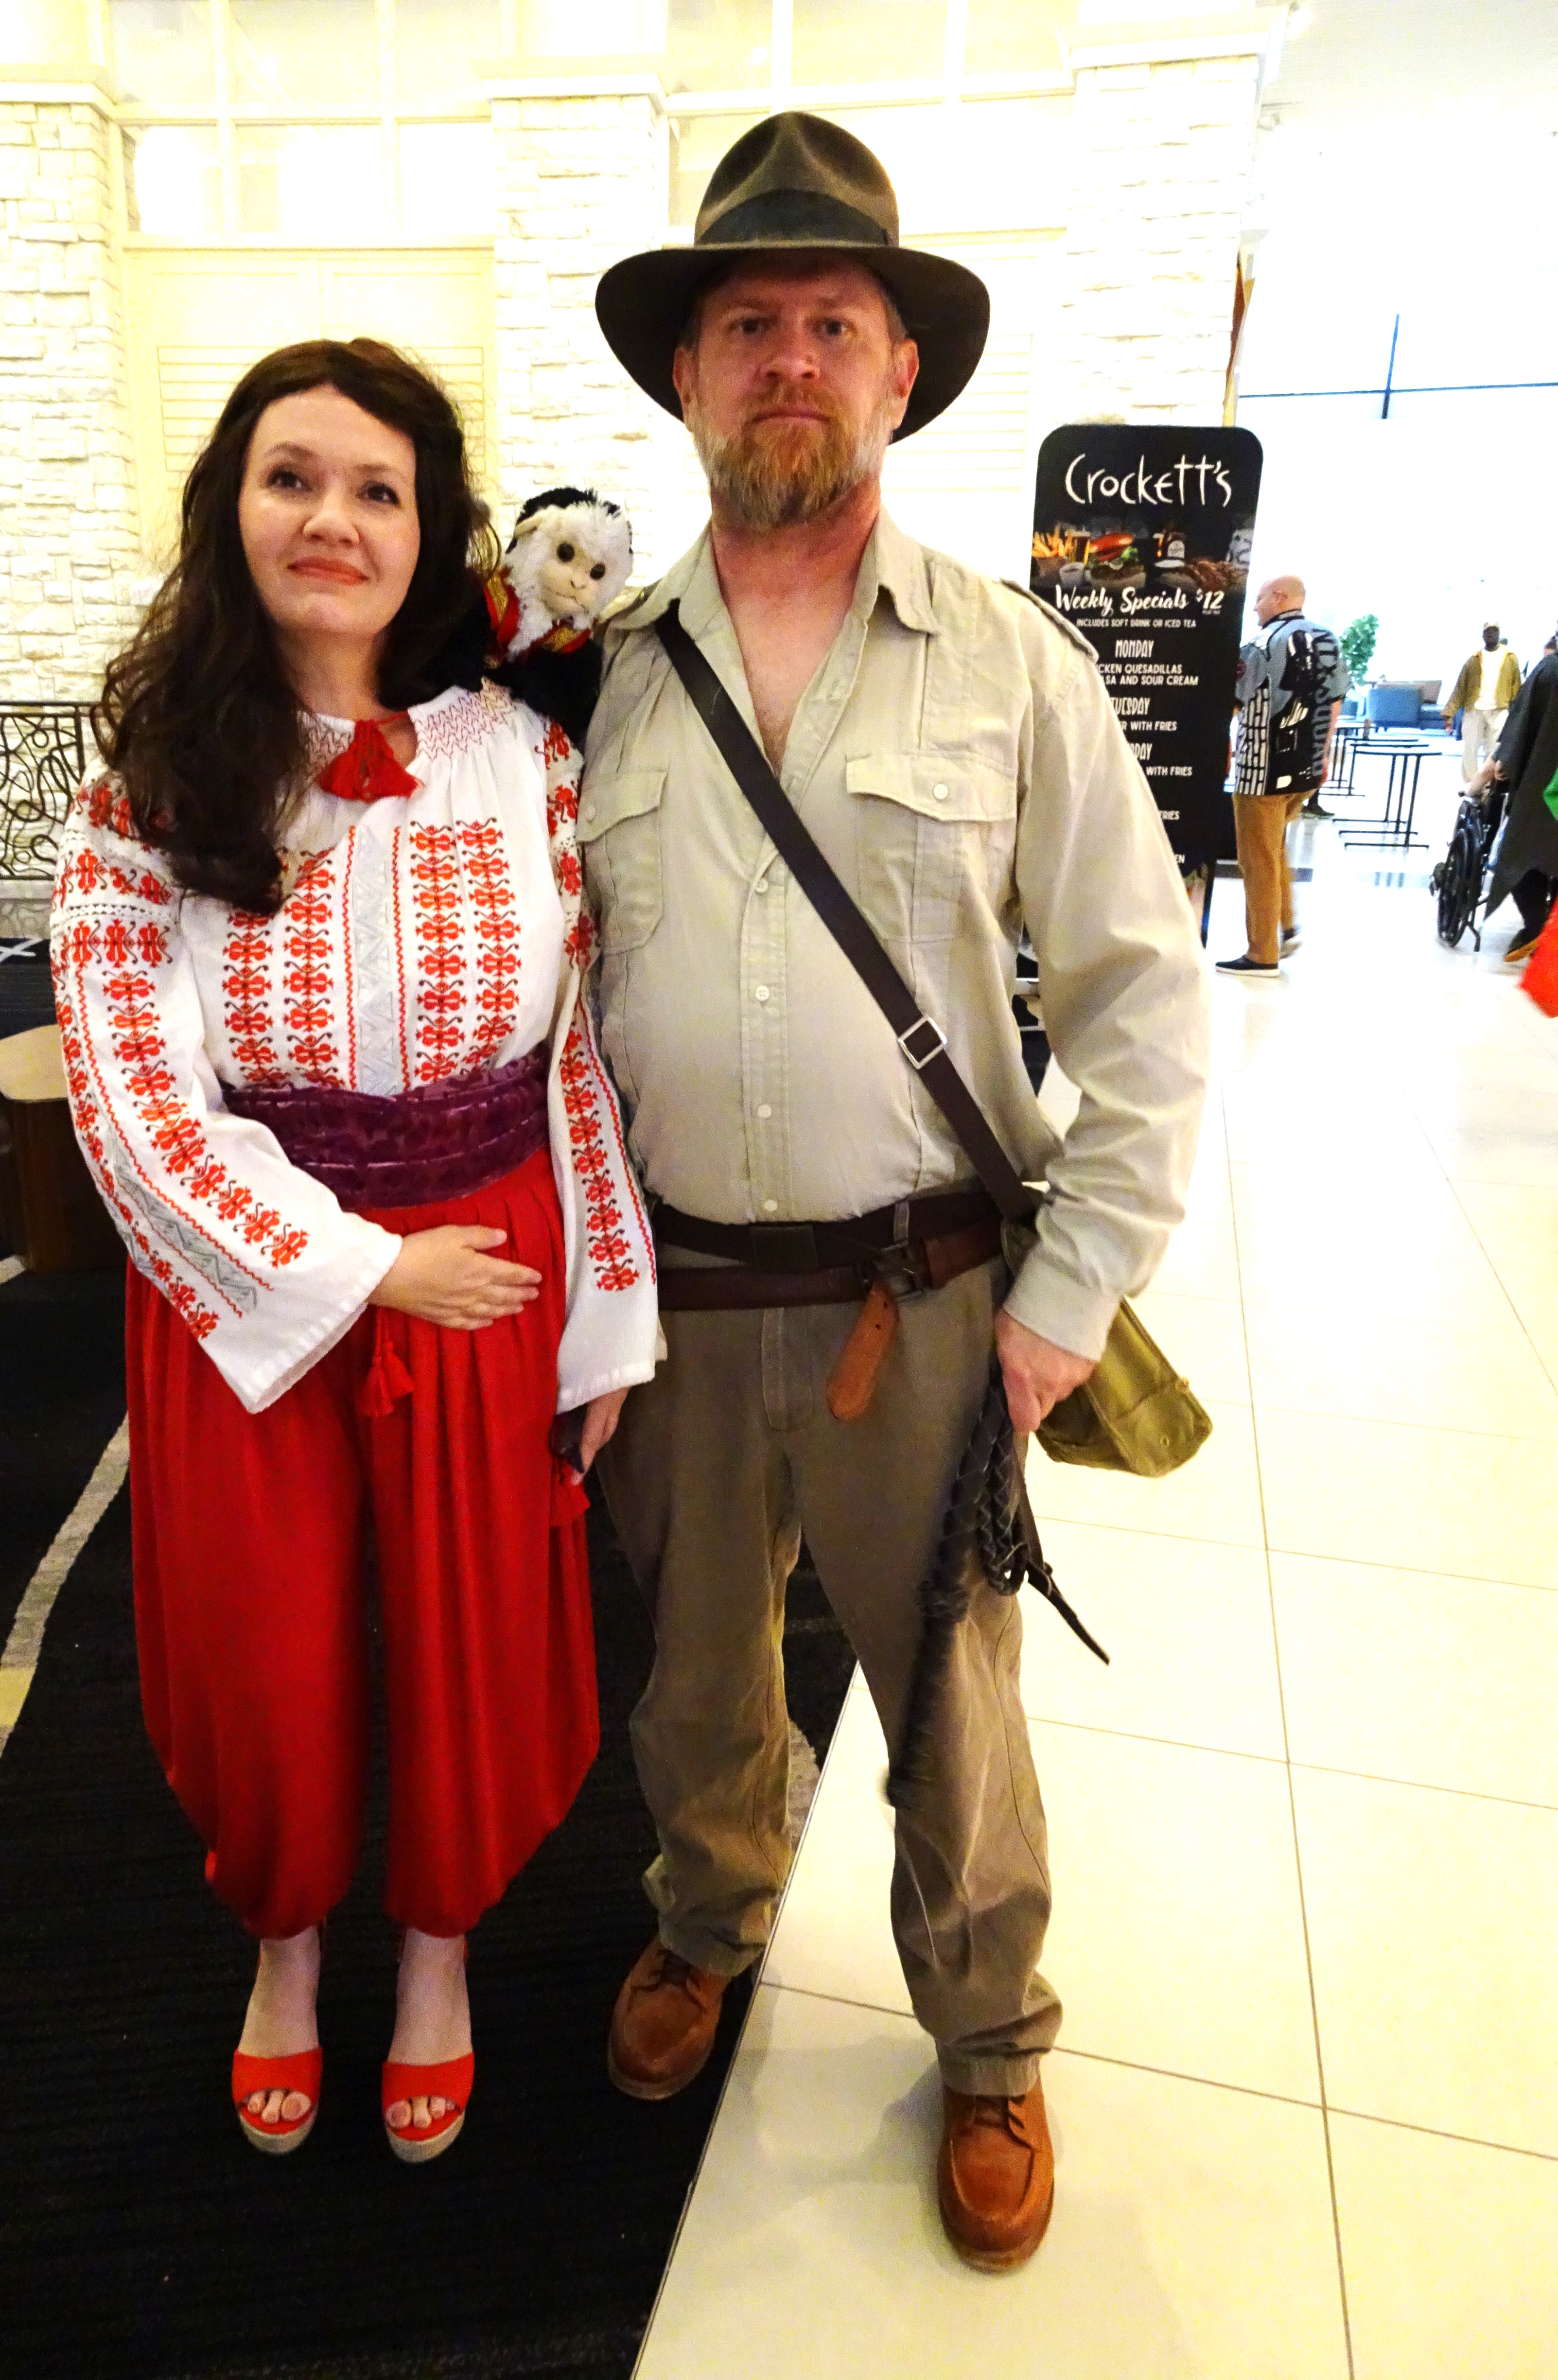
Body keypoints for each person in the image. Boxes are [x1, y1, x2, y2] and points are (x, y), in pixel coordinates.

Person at [581, 113, 1212, 2272]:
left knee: (947, 1700)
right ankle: (706, 1917)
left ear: (898, 375)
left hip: (924, 1293)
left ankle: (985, 2031)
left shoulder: (1011, 659)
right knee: (690, 1675)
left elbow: (1144, 1003)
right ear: (685, 376)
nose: (787, 359)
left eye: (829, 325)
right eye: (745, 324)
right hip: (671, 1299)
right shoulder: (594, 674)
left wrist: (1065, 1296)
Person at [49, 339, 657, 2165]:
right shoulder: (151, 786)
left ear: (431, 532)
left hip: (497, 1254)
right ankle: (288, 1947)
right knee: (269, 1644)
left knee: (469, 1632)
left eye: (378, 489)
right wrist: (356, 1269)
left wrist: (602, 1320)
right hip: (254, 1278)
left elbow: (577, 1057)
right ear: (229, 509)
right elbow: (127, 1088)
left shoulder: (530, 761)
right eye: (291, 477)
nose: (333, 518)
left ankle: (439, 1957)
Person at [1222, 574, 1349, 973]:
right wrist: (1323, 754)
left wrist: (1218, 746)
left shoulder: (1261, 644)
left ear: (1279, 597)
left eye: (1260, 598)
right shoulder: (1327, 640)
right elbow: (1335, 702)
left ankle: (1262, 954)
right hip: (1306, 770)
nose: (1255, 607)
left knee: (1257, 858)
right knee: (1274, 847)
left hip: (1262, 771)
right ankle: (1287, 925)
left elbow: (1234, 703)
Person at [1471, 626, 1558, 962]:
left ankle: (1537, 926)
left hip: (1545, 790)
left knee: (1522, 857)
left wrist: (1503, 764)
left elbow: (1521, 726)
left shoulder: (1549, 671)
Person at [1443, 621, 1521, 781]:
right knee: (1469, 748)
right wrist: (1449, 714)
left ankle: (1486, 784)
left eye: (1494, 631)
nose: (1491, 634)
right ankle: (1470, 783)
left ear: (1499, 634)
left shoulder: (1510, 658)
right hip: (1475, 710)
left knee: (1494, 750)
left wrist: (1517, 712)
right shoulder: (1473, 660)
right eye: (1487, 631)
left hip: (1500, 710)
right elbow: (1461, 688)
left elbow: (1516, 686)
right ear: (1483, 635)